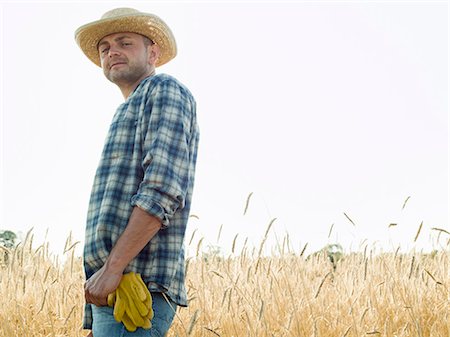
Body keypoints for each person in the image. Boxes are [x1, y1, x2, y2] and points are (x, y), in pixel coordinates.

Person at [75, 7, 199, 337]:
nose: (112, 51)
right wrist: (96, 310)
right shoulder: (128, 108)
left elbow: (162, 188)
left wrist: (114, 268)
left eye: (125, 42)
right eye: (105, 47)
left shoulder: (163, 91)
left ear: (153, 52)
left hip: (136, 286)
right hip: (115, 292)